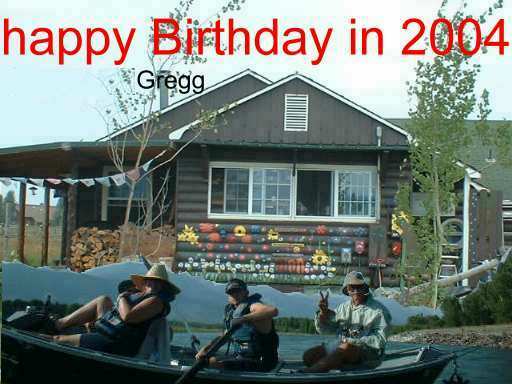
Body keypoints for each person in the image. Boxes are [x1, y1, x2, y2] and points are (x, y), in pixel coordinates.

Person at [46, 263, 180, 357]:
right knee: (103, 300)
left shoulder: (156, 301)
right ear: (145, 283)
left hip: (118, 343)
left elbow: (128, 317)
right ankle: (59, 324)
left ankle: (45, 337)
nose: (153, 284)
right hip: (112, 332)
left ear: (163, 286)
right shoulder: (140, 296)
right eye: (150, 281)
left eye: (157, 282)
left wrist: (122, 297)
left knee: (58, 339)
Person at [302, 271, 391, 373]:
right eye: (352, 288)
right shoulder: (342, 308)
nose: (356, 291)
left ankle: (314, 370)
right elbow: (325, 330)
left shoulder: (379, 311)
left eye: (359, 287)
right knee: (309, 356)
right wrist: (323, 313)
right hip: (342, 348)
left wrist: (354, 342)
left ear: (365, 288)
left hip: (369, 353)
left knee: (345, 347)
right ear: (347, 290)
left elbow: (380, 340)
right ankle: (329, 365)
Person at [195, 278, 279, 372]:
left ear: (246, 293)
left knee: (211, 362)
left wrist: (243, 319)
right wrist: (205, 349)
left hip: (261, 363)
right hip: (240, 358)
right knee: (203, 359)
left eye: (238, 291)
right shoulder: (232, 312)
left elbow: (272, 310)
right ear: (228, 296)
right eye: (231, 292)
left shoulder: (253, 305)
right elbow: (225, 336)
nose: (235, 294)